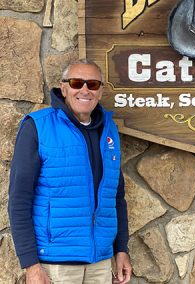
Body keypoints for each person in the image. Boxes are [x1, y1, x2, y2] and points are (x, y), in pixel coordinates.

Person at [8, 59, 132, 283]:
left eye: (93, 85)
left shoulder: (108, 130)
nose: (84, 90)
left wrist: (121, 249)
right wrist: (31, 265)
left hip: (100, 262)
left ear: (100, 91)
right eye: (77, 83)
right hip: (55, 263)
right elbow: (19, 199)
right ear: (63, 88)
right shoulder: (38, 127)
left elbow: (115, 196)